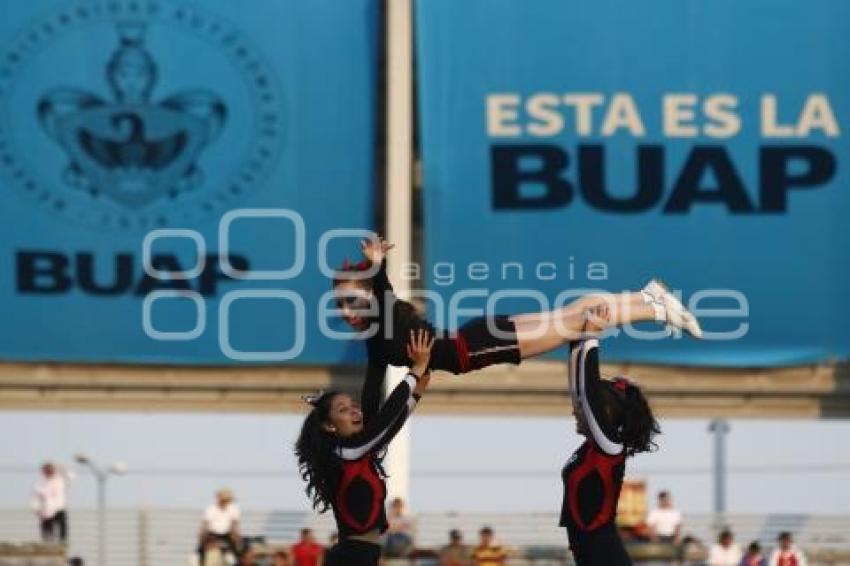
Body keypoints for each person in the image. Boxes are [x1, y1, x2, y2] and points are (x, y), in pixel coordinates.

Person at [334, 236, 702, 421]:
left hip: (472, 347)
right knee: (571, 314)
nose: (346, 311)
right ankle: (647, 298)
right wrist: (366, 433)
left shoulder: (381, 312)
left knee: (574, 323)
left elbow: (381, 290)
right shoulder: (374, 339)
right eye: (340, 304)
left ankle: (652, 310)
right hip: (477, 335)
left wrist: (376, 265)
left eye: (353, 300)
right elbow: (371, 389)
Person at [295, 329, 434, 566]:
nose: (354, 410)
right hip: (351, 558)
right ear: (329, 426)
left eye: (353, 405)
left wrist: (416, 392)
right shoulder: (343, 454)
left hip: (363, 557)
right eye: (342, 409)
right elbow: (384, 420)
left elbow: (388, 424)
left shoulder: (358, 454)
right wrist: (414, 372)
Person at [560, 305, 668, 566]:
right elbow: (580, 390)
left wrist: (592, 336)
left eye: (582, 409)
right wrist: (576, 338)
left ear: (604, 413)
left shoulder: (609, 447)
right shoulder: (594, 447)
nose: (575, 410)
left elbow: (587, 394)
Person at [31, 462, 71, 543]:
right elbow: (35, 499)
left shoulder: (61, 480)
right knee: (47, 535)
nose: (49, 472)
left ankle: (62, 544)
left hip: (59, 509)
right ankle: (47, 545)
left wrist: (58, 466)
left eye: (51, 470)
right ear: (43, 472)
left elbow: (70, 474)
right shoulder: (39, 485)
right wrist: (37, 510)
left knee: (62, 532)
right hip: (46, 511)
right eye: (47, 470)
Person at [198, 488, 242, 562]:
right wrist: (202, 534)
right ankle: (201, 561)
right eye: (225, 499)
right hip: (212, 534)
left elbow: (235, 524)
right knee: (201, 548)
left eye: (228, 500)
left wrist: (236, 535)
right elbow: (206, 524)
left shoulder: (233, 508)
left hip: (227, 534)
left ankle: (237, 561)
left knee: (237, 548)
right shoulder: (211, 509)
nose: (226, 502)